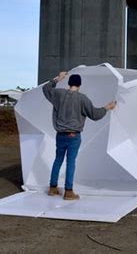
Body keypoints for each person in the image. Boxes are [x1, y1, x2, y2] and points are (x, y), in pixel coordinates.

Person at [43, 71, 116, 200]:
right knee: (71, 162)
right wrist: (107, 107)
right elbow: (95, 115)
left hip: (60, 135)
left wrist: (58, 79)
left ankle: (52, 188)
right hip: (73, 136)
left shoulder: (58, 94)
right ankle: (68, 192)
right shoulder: (83, 98)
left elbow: (46, 88)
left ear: (69, 83)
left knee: (58, 159)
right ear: (79, 85)